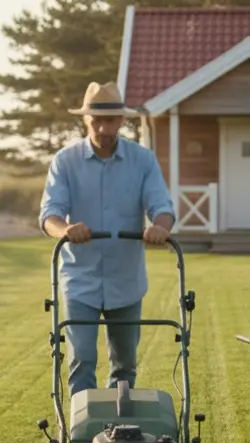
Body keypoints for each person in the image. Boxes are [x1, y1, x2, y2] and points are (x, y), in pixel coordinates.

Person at [39, 81, 176, 396]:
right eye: (95, 120)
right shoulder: (65, 161)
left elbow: (162, 206)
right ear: (85, 120)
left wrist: (160, 228)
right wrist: (66, 231)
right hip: (79, 279)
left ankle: (118, 432)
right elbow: (50, 214)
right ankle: (81, 435)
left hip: (125, 280)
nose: (103, 127)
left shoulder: (142, 160)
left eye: (110, 120)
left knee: (125, 365)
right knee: (81, 361)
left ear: (122, 120)